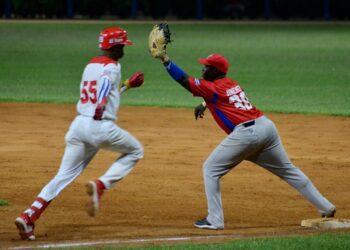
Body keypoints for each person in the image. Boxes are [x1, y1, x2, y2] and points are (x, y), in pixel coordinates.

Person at [153, 52, 336, 230]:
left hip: (247, 135)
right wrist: (205, 103)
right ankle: (326, 207)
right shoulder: (231, 83)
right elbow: (226, 99)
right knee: (288, 170)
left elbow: (185, 80)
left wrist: (166, 60)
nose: (203, 69)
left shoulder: (213, 88)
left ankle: (214, 220)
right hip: (266, 128)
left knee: (211, 169)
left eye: (207, 67)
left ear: (216, 71)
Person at [15, 26, 145, 240]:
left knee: (63, 175)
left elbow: (107, 89)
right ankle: (101, 185)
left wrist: (128, 85)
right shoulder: (113, 66)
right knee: (136, 151)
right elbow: (104, 86)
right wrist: (101, 104)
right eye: (122, 45)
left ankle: (29, 216)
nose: (124, 49)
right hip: (100, 126)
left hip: (78, 127)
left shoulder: (90, 65)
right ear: (115, 47)